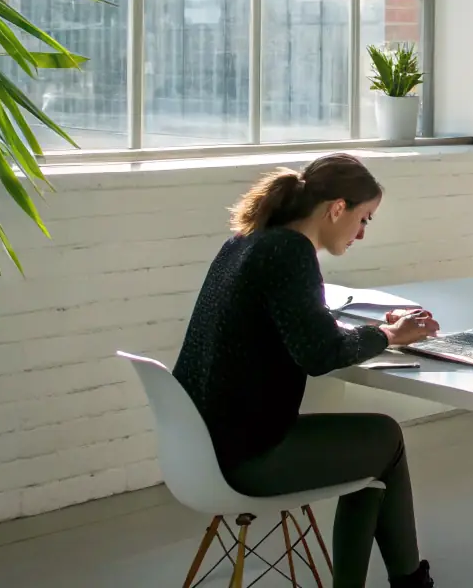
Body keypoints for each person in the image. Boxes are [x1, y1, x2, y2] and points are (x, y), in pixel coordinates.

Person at [173, 154, 442, 588]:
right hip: (245, 460)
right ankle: (412, 584)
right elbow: (319, 354)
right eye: (363, 219)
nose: (361, 233)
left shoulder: (245, 242)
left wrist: (374, 330)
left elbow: (295, 326)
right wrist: (389, 335)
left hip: (196, 450)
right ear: (337, 208)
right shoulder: (291, 252)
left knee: (369, 462)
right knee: (386, 440)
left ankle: (407, 583)